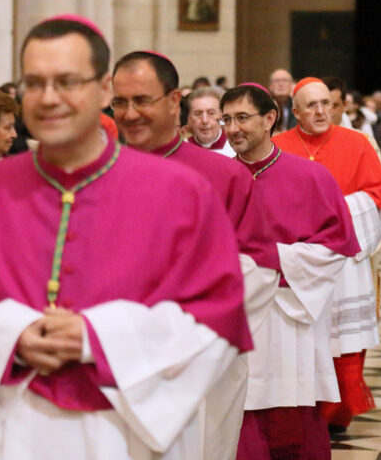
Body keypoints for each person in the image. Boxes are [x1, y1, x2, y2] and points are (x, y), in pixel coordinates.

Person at [0, 15, 251, 459]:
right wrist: (13, 334)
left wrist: (97, 337)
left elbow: (217, 314)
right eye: (34, 83)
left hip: (132, 433)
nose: (49, 99)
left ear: (104, 89)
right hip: (15, 427)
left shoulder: (181, 194)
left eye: (67, 82)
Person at [111, 50, 258, 460]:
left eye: (142, 100)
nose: (129, 113)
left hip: (199, 359)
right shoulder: (95, 175)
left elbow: (256, 268)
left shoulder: (226, 176)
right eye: (120, 102)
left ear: (175, 101)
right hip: (114, 356)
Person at [221, 83, 359, 460]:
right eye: (227, 119)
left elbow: (336, 248)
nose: (233, 128)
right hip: (233, 318)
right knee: (235, 416)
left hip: (289, 315)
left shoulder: (311, 177)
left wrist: (271, 258)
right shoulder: (214, 178)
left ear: (269, 119)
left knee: (292, 426)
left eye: (242, 118)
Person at [273, 77, 381, 431]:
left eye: (326, 103)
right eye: (311, 105)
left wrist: (330, 210)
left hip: (342, 262)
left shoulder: (357, 144)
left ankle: (337, 413)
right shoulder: (277, 145)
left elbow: (377, 196)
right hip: (298, 260)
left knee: (341, 337)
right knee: (298, 335)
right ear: (295, 112)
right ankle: (299, 409)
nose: (321, 111)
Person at [186, 87, 236, 156]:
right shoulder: (182, 148)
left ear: (221, 116)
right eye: (198, 114)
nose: (205, 120)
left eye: (211, 113)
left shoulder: (235, 147)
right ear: (189, 118)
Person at [269, 68, 296, 133]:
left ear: (292, 85)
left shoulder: (297, 106)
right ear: (270, 86)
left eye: (285, 80)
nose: (281, 84)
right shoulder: (265, 107)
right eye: (276, 81)